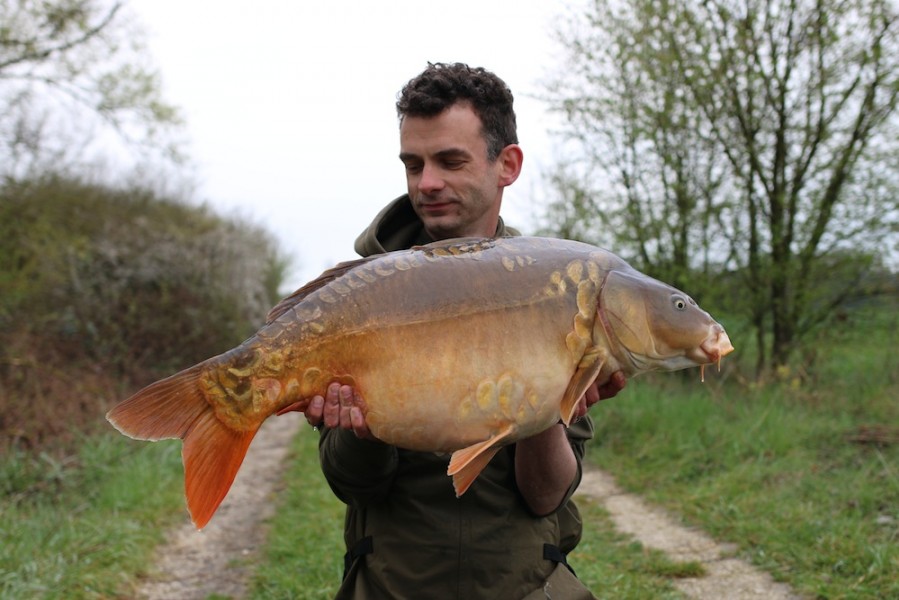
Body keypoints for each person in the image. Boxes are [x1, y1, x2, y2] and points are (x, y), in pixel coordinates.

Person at [295, 62, 626, 599]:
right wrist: (362, 430)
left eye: (450, 161)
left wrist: (543, 402)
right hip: (393, 585)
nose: (427, 183)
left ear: (507, 164)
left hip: (524, 586)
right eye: (413, 164)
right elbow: (355, 486)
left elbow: (546, 497)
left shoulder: (560, 290)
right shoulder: (358, 298)